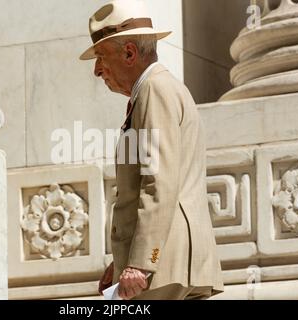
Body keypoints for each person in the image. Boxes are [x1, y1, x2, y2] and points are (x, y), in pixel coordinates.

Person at [80, 0, 224, 300]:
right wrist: (122, 262)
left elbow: (159, 181)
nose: (97, 70)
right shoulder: (160, 88)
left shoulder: (153, 90)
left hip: (164, 265)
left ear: (130, 53)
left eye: (101, 57)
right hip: (174, 261)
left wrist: (140, 263)